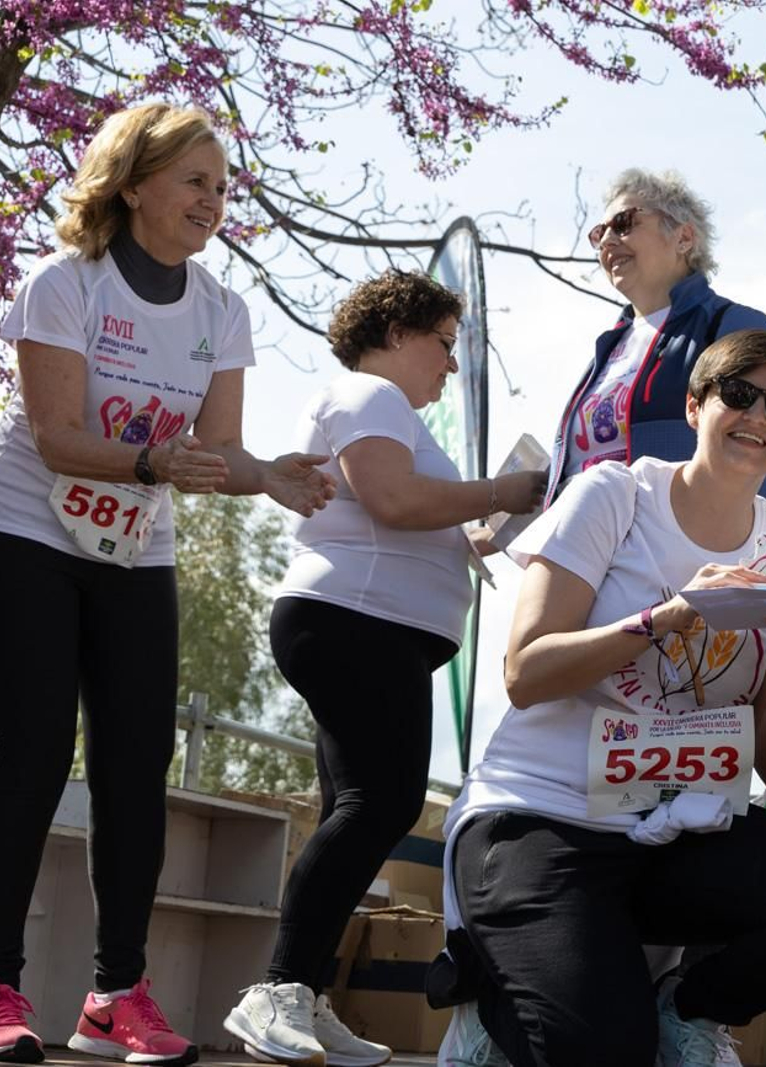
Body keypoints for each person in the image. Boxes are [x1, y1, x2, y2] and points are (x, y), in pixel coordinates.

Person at [0, 103, 334, 1066]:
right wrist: (151, 466)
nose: (213, 201)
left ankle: (114, 995)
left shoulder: (222, 311)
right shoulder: (66, 286)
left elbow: (214, 451)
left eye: (222, 186)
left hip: (135, 546)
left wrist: (273, 476)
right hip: (21, 530)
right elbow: (55, 437)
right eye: (194, 181)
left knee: (136, 766)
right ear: (132, 184)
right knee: (37, 749)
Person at [437, 331, 766, 1067]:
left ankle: (689, 1009)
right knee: (600, 1053)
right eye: (738, 394)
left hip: (666, 836)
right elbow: (527, 670)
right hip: (541, 818)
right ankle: (491, 996)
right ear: (694, 403)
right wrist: (665, 616)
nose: (757, 416)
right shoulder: (616, 493)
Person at [221, 271, 546, 1067]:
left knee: (356, 805)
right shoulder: (372, 398)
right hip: (355, 624)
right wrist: (505, 488)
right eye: (443, 344)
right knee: (382, 800)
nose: (450, 366)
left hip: (369, 627)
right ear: (399, 334)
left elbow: (402, 514)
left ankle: (306, 991)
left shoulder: (385, 412)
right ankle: (281, 988)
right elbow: (393, 500)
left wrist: (483, 531)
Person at [549, 168, 766, 509]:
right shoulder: (608, 349)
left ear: (683, 238)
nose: (606, 241)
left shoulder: (732, 324)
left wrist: (747, 543)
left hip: (674, 551)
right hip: (584, 547)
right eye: (599, 232)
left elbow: (765, 449)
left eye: (624, 223)